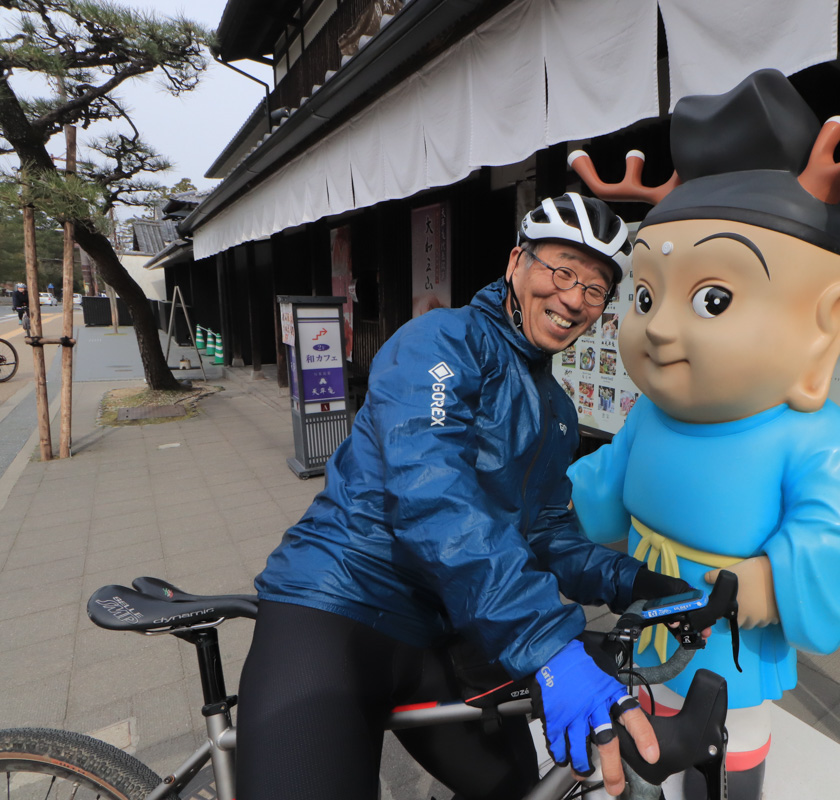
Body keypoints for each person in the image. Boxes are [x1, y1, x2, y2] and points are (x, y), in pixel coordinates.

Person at [567, 41, 840, 800]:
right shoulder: (648, 418)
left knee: (726, 752)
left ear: (828, 323)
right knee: (640, 738)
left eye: (713, 298)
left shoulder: (816, 440)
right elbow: (599, 489)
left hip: (729, 642)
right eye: (644, 297)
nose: (657, 329)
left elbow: (832, 542)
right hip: (645, 616)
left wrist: (752, 584)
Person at [237, 193, 692, 800]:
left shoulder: (556, 409)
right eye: (561, 271)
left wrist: (635, 581)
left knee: (518, 791)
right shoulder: (441, 346)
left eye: (594, 288)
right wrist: (549, 642)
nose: (574, 299)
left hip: (444, 631)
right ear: (515, 264)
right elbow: (432, 492)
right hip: (337, 601)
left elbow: (546, 532)